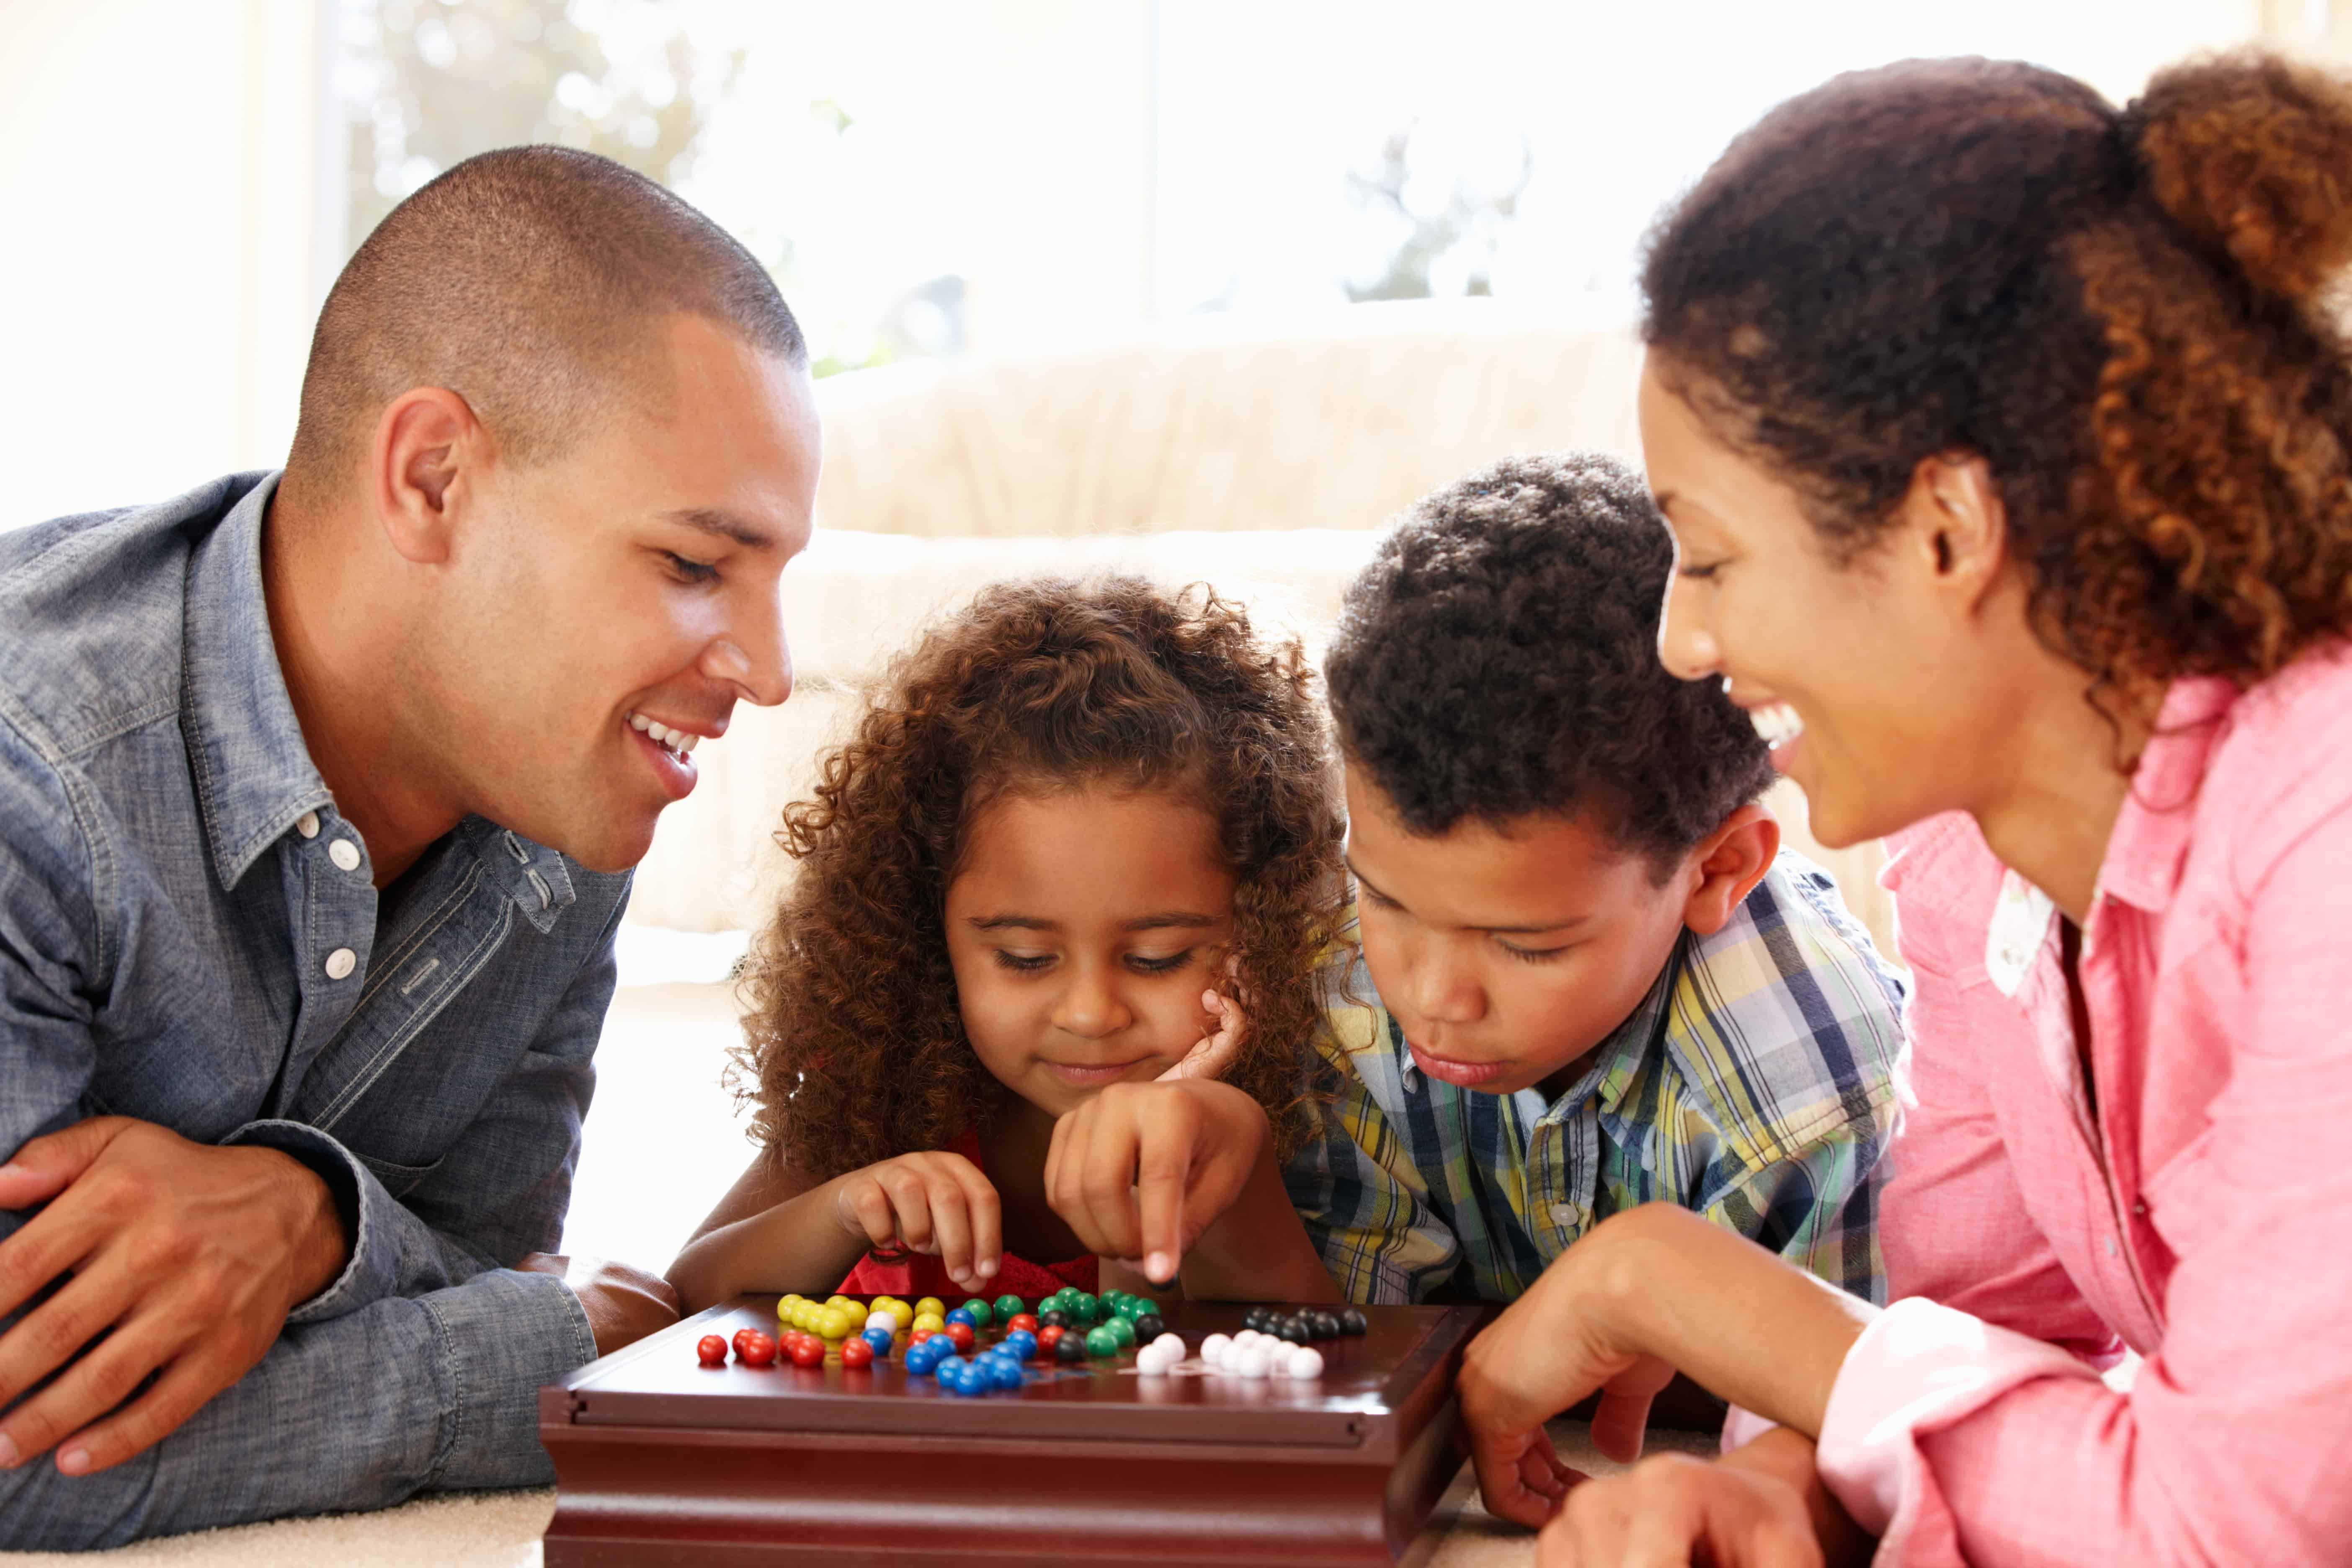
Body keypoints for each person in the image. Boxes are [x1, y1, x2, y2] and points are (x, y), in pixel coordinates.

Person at [1456, 50, 2352, 1567]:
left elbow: (2236, 1527)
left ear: (1946, 528)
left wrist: (1673, 1285)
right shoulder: (1976, 858)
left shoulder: (2320, 834)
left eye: (1713, 558)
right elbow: (1968, 1323)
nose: (1681, 641)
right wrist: (1785, 1486)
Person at [0, 147, 819, 1549]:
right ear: (433, 478)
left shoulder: (564, 814)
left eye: (773, 578)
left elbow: (487, 1253)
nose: (770, 669)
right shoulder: (34, 777)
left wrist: (308, 1216)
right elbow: (24, 1446)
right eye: (693, 565)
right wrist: (559, 1348)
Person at [1285, 454, 1906, 1322]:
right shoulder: (1332, 990)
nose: (1431, 997)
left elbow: (1832, 1403)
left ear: (1717, 872)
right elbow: (1353, 1356)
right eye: (1385, 902)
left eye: (1526, 944)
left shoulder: (1805, 1090)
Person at [668, 577, 1347, 1312]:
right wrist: (843, 1209)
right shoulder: (883, 1094)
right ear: (930, 934)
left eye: (1157, 959)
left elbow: (1298, 1369)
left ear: (1265, 922)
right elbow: (680, 1298)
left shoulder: (1311, 1106)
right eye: (1025, 959)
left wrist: (1176, 1157)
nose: (1089, 1015)